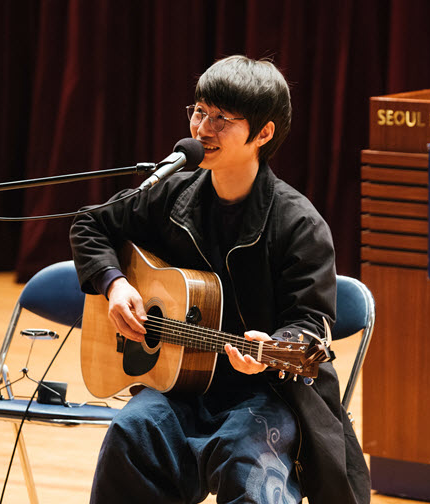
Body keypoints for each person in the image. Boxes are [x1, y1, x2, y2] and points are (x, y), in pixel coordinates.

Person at [70, 55, 370, 504]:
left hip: (268, 392)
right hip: (180, 385)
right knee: (129, 433)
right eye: (199, 111)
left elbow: (309, 326)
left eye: (222, 119)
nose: (202, 129)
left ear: (263, 134)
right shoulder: (171, 192)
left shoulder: (300, 225)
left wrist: (269, 351)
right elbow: (90, 224)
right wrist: (115, 283)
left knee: (249, 464)